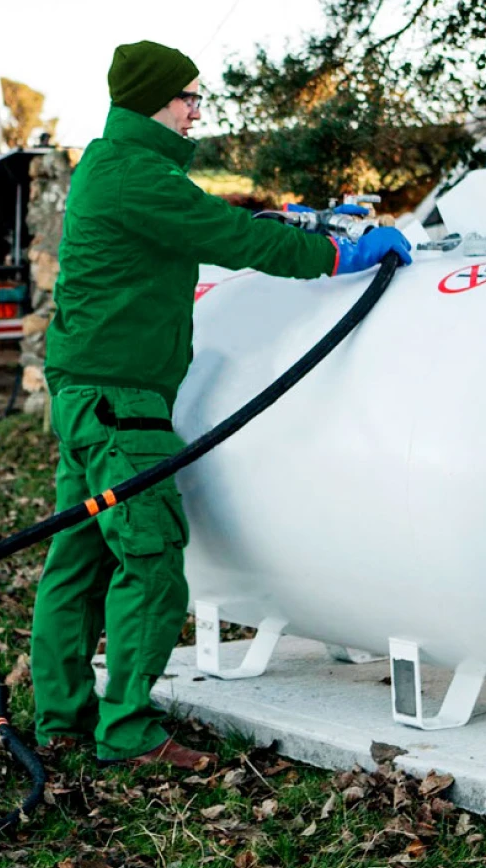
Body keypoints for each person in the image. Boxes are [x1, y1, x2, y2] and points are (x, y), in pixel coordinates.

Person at [29, 40, 413, 770]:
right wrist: (336, 255)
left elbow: (208, 217)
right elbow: (226, 236)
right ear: (152, 100)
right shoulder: (136, 177)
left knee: (77, 558)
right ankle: (126, 733)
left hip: (89, 393)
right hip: (121, 403)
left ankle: (61, 719)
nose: (197, 110)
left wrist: (291, 219)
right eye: (188, 97)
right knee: (150, 559)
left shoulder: (112, 167)